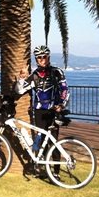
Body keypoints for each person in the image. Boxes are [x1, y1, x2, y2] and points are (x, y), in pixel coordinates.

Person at [15, 45, 70, 179]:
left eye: (44, 57)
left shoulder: (57, 72)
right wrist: (22, 77)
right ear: (36, 59)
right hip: (39, 111)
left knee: (54, 141)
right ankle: (45, 170)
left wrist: (61, 105)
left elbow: (65, 90)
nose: (42, 60)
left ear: (48, 57)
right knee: (41, 140)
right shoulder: (34, 75)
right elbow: (20, 90)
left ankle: (56, 172)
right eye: (39, 58)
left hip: (52, 111)